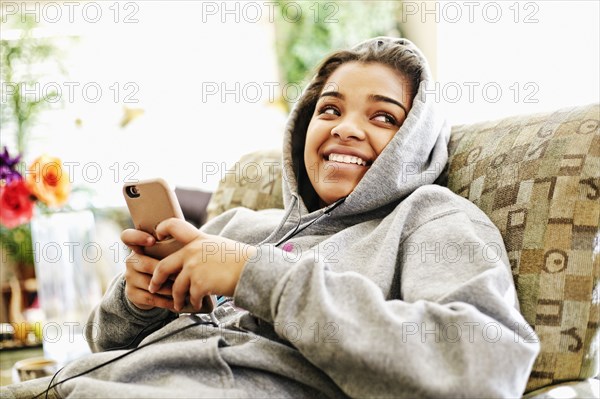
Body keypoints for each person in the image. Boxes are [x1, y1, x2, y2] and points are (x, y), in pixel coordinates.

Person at [4, 37, 539, 398]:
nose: (346, 128)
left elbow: (486, 369)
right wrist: (137, 302)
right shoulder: (237, 226)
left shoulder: (432, 220)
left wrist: (255, 276)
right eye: (330, 109)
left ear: (416, 142)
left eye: (383, 116)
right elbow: (105, 345)